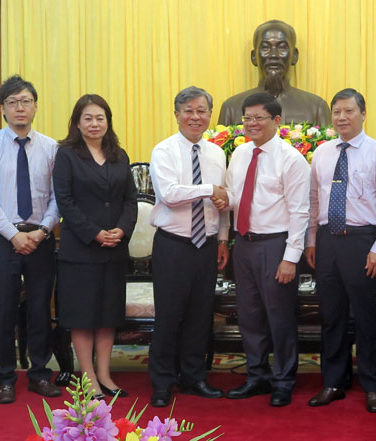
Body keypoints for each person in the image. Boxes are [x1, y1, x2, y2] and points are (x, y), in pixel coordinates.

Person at [305, 89, 376, 413]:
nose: (342, 118)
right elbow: (315, 201)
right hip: (328, 240)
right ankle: (334, 381)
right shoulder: (322, 152)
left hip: (363, 241)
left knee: (365, 316)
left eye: (348, 111)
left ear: (362, 113)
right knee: (330, 315)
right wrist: (312, 240)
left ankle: (373, 384)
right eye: (337, 112)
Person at [0, 75, 61, 404]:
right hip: (2, 237)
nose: (19, 108)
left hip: (41, 237)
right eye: (12, 102)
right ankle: (5, 377)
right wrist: (13, 235)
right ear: (3, 109)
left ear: (36, 107)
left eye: (25, 101)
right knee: (5, 307)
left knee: (40, 307)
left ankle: (39, 374)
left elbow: (58, 197)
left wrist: (41, 231)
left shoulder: (51, 147)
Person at [224, 92, 310, 407]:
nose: (252, 123)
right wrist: (222, 200)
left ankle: (284, 380)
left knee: (280, 318)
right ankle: (256, 377)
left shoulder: (292, 160)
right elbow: (236, 198)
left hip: (276, 245)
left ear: (276, 121)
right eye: (247, 118)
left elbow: (301, 213)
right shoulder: (240, 154)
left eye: (259, 117)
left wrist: (290, 259)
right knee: (248, 316)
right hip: (244, 245)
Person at [148, 86, 229, 407]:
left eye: (202, 111)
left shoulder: (217, 153)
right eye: (188, 110)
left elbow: (222, 203)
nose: (195, 117)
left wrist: (222, 239)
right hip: (173, 245)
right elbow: (170, 194)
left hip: (206, 246)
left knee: (200, 316)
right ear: (177, 114)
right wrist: (209, 188)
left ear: (210, 115)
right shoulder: (164, 151)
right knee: (169, 317)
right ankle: (162, 382)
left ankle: (194, 378)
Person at [52, 94, 137, 399]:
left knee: (107, 315)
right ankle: (87, 378)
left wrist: (121, 230)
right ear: (77, 122)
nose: (94, 123)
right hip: (81, 250)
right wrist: (95, 233)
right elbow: (66, 202)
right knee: (83, 315)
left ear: (108, 121)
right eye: (87, 118)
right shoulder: (66, 155)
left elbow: (130, 200)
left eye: (100, 118)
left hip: (114, 249)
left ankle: (105, 375)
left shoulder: (119, 155)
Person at [218, 20, 330, 126]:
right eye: (265, 48)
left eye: (282, 48)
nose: (273, 55)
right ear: (254, 57)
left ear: (294, 56)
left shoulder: (316, 107)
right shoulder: (232, 108)